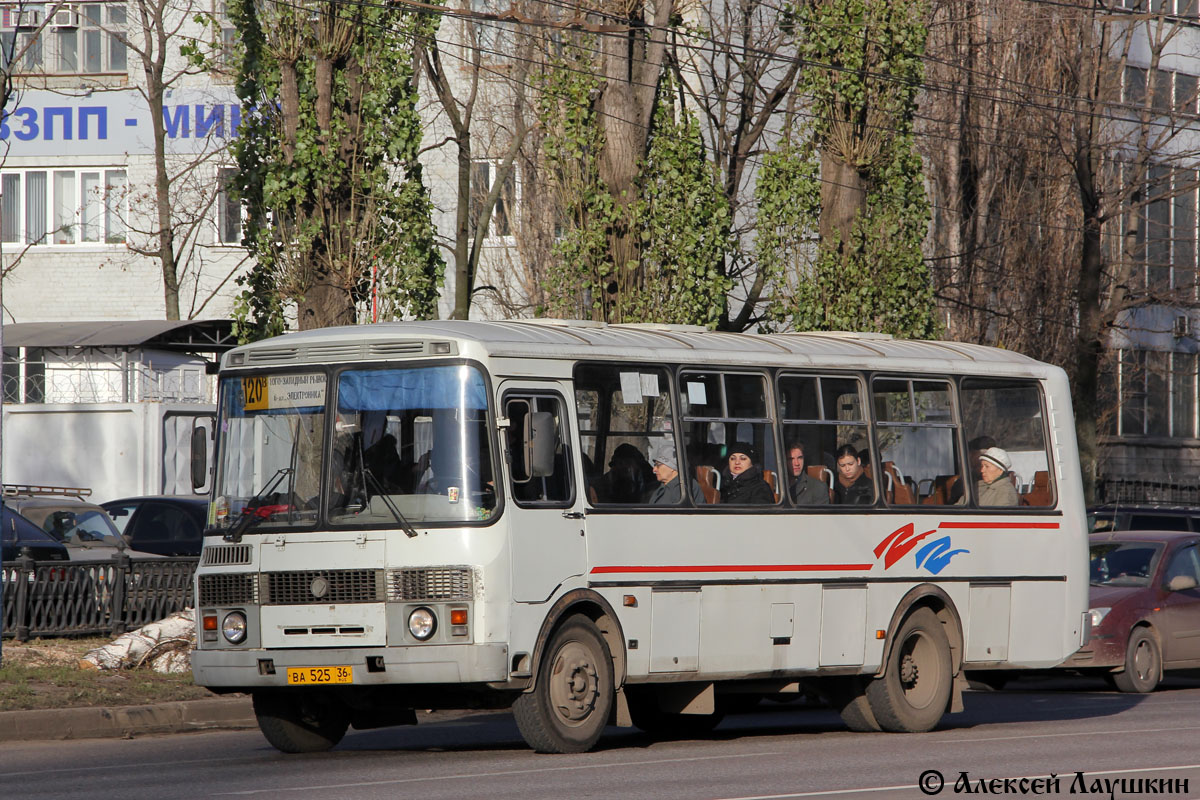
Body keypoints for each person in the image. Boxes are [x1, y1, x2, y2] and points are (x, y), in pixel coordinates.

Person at [647, 439, 705, 505]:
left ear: (672, 467)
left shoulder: (685, 488)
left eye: (658, 465)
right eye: (655, 465)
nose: (654, 470)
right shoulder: (659, 487)